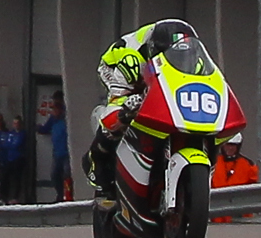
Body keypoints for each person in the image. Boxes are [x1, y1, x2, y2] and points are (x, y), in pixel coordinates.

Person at [85, 18, 217, 197]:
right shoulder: (132, 57)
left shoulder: (194, 58)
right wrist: (126, 106)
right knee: (119, 112)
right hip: (118, 68)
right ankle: (96, 162)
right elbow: (124, 87)